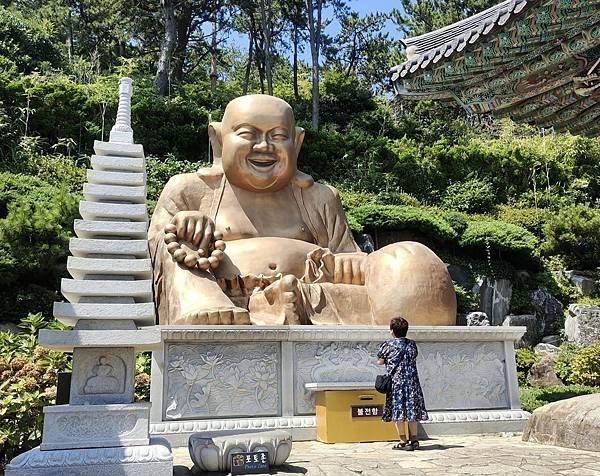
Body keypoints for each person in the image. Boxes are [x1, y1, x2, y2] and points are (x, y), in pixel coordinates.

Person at [148, 94, 456, 326]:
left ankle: (282, 303)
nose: (265, 146)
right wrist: (185, 225)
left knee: (409, 260)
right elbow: (155, 249)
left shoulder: (320, 198)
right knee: (173, 236)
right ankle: (213, 307)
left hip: (311, 297)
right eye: (248, 134)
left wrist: (361, 265)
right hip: (228, 300)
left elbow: (353, 260)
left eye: (278, 136)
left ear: (296, 143)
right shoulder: (190, 189)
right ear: (217, 139)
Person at [377, 316, 428, 451]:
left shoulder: (388, 345)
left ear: (392, 331)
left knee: (398, 410)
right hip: (412, 383)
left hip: (397, 383)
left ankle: (402, 440)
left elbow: (380, 361)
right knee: (411, 411)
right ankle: (415, 440)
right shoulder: (412, 344)